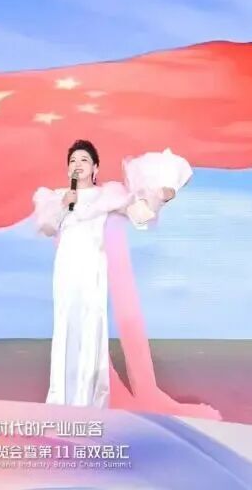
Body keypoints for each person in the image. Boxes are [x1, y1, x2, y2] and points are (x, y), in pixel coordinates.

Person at [32, 139, 181, 408]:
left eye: (84, 160)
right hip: (66, 271)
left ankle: (91, 404)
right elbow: (46, 227)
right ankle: (61, 403)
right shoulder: (57, 197)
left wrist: (161, 197)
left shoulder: (107, 196)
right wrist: (63, 203)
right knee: (66, 328)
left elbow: (139, 214)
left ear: (95, 168)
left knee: (92, 329)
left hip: (93, 271)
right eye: (73, 161)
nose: (78, 165)